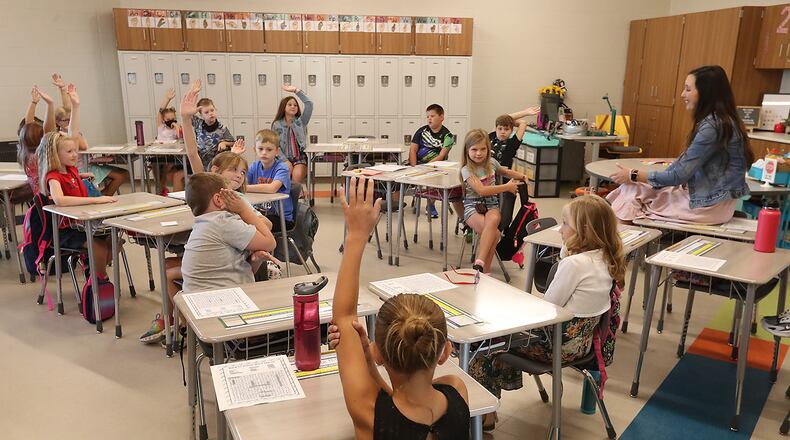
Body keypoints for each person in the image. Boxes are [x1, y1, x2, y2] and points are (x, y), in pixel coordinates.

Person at [468, 194, 626, 430]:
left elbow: (546, 308)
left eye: (565, 224)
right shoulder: (605, 257)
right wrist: (567, 248)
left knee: (481, 343)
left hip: (553, 348)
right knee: (500, 332)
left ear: (583, 230)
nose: (560, 230)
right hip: (581, 346)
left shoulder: (574, 265)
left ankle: (485, 416)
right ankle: (490, 408)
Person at [332, 175, 470, 440]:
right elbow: (406, 399)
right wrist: (371, 363)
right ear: (445, 352)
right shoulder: (456, 391)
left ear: (377, 353)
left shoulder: (369, 412)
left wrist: (357, 234)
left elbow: (344, 316)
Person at [140, 89, 274, 345]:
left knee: (173, 271)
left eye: (242, 173)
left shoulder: (237, 202)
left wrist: (244, 215)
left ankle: (177, 321)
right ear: (215, 172)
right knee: (169, 269)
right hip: (224, 256)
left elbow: (266, 226)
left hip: (232, 259)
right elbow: (192, 154)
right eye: (233, 171)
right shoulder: (209, 188)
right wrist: (187, 121)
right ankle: (174, 320)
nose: (238, 176)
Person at [607, 65, 752, 224]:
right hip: (715, 203)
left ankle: (620, 242)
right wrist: (643, 179)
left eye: (688, 89)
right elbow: (679, 168)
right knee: (635, 189)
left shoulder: (712, 127)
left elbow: (678, 176)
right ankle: (623, 240)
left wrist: (633, 175)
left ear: (705, 93)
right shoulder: (723, 121)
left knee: (631, 190)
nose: (683, 94)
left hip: (707, 208)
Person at [38, 86, 116, 280]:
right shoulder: (53, 176)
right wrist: (96, 201)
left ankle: (94, 270)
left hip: (83, 223)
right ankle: (100, 280)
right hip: (67, 230)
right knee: (99, 244)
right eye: (70, 152)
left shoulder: (71, 170)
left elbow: (73, 133)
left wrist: (76, 106)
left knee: (115, 241)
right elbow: (60, 200)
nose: (75, 155)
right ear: (56, 155)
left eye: (75, 151)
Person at [460, 129, 527, 273]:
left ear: (488, 149)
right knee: (495, 234)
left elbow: (506, 172)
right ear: (467, 150)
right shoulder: (466, 170)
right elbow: (482, 190)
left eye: (483, 149)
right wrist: (506, 187)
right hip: (473, 207)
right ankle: (484, 269)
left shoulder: (492, 163)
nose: (479, 153)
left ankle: (480, 264)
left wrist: (521, 175)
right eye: (474, 149)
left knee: (494, 218)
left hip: (492, 205)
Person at [53, 84, 129, 196]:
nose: (69, 122)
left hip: (86, 165)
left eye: (70, 120)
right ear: (58, 122)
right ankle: (104, 195)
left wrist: (63, 91)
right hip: (82, 168)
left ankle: (102, 196)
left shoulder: (69, 131)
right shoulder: (62, 135)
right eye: (66, 120)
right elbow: (83, 146)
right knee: (121, 175)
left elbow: (68, 110)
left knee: (122, 173)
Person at [409, 104, 463, 219]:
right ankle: (396, 204)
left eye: (432, 116)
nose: (429, 118)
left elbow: (441, 155)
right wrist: (414, 167)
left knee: (434, 178)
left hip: (437, 166)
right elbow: (413, 150)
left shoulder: (448, 136)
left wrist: (426, 167)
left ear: (442, 117)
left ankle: (430, 205)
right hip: (418, 165)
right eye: (427, 116)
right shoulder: (421, 131)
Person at [489, 107, 539, 230]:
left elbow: (523, 123)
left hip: (505, 179)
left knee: (505, 209)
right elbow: (502, 117)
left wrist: (525, 114)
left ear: (511, 130)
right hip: (488, 178)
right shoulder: (490, 137)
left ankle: (503, 229)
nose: (502, 132)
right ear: (495, 128)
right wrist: (508, 121)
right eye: (500, 129)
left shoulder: (513, 142)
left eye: (506, 129)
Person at [246, 129, 294, 231]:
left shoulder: (282, 168)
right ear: (255, 150)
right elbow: (240, 182)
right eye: (260, 149)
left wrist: (245, 188)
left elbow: (272, 188)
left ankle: (264, 246)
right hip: (259, 213)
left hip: (281, 218)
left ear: (277, 151)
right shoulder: (254, 167)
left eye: (269, 149)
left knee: (253, 228)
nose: (264, 153)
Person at [271, 85, 313, 185]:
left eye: (295, 105)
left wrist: (296, 91)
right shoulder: (277, 124)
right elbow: (274, 145)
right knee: (285, 173)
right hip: (282, 159)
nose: (293, 107)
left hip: (299, 159)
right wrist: (285, 160)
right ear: (283, 107)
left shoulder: (301, 122)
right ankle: (288, 198)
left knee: (296, 177)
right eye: (289, 105)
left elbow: (309, 105)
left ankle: (295, 197)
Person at [191, 83, 236, 170]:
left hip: (216, 164)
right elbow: (187, 115)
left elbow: (233, 142)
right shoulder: (198, 124)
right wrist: (193, 94)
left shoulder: (222, 128)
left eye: (212, 110)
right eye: (206, 112)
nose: (210, 113)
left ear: (216, 110)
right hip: (200, 162)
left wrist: (224, 143)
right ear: (201, 115)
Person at [153, 87, 185, 195]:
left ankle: (164, 188)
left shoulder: (177, 128)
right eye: (168, 120)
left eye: (173, 119)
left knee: (167, 167)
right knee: (156, 165)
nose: (170, 121)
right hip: (160, 154)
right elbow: (160, 112)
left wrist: (176, 126)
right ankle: (161, 187)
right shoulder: (161, 127)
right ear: (163, 120)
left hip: (172, 156)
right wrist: (167, 99)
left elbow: (181, 138)